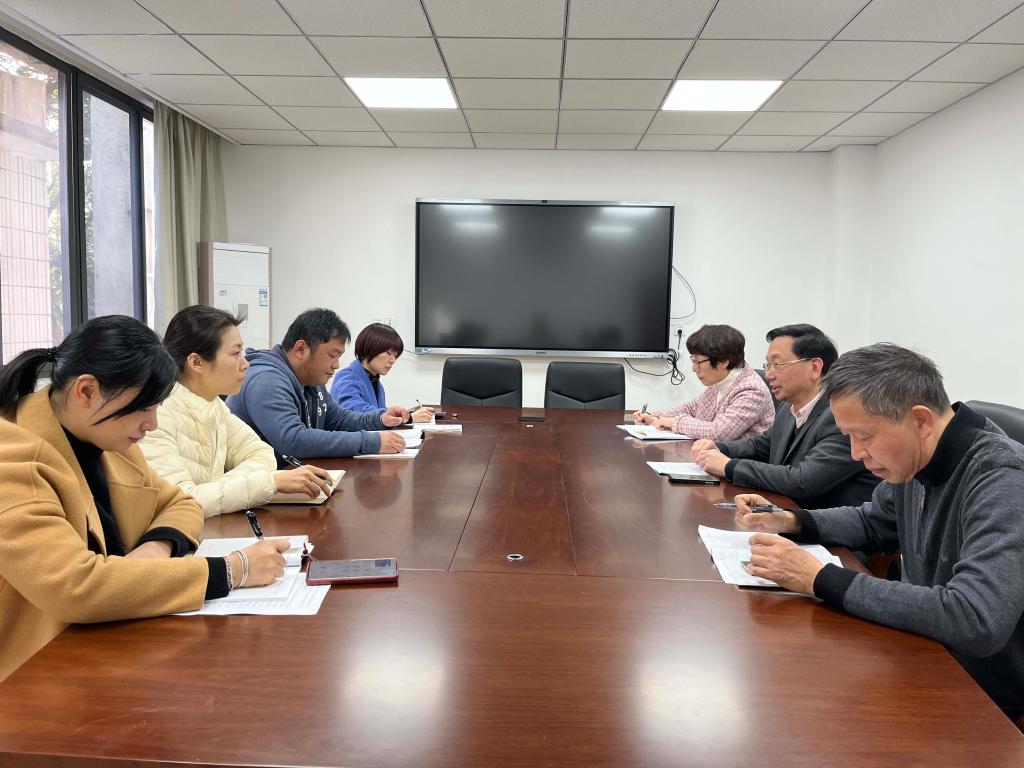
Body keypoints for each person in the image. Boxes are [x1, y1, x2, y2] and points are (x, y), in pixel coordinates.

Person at [734, 344, 1024, 722]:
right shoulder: (917, 456)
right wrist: (792, 521)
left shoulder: (1002, 478)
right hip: (920, 647)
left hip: (978, 691)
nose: (856, 454)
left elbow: (976, 619)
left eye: (864, 436)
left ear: (919, 420)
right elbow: (873, 521)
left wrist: (820, 578)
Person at [0, 316, 289, 682]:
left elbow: (181, 503)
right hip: (35, 671)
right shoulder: (13, 460)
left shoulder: (104, 436)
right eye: (144, 407)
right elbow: (74, 588)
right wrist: (232, 570)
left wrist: (156, 547)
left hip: (109, 639)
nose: (152, 424)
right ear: (87, 391)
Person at [141, 306, 334, 518]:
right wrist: (267, 483)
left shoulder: (213, 405)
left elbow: (261, 454)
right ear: (196, 362)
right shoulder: (156, 416)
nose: (245, 364)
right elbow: (181, 503)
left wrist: (216, 491)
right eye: (235, 353)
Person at [691, 323, 878, 509]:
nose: (768, 374)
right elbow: (761, 446)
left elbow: (802, 481)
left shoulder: (840, 417)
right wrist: (719, 448)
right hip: (785, 512)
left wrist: (729, 466)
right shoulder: (788, 408)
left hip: (825, 523)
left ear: (814, 367)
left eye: (777, 364)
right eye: (768, 365)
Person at [227, 308, 407, 462]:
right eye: (332, 355)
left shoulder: (311, 380)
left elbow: (337, 419)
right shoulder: (266, 379)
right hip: (261, 485)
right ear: (301, 349)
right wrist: (369, 442)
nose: (336, 365)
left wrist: (379, 419)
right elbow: (294, 441)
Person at [632, 324, 774, 440]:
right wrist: (655, 417)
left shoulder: (752, 391)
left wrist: (675, 422)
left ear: (723, 361)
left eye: (698, 362)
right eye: (693, 361)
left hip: (739, 464)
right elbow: (691, 408)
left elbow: (719, 433)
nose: (694, 369)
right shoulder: (722, 381)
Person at [330, 322, 434, 423]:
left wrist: (404, 414)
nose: (393, 360)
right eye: (389, 353)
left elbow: (377, 413)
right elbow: (358, 414)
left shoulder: (374, 380)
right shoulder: (346, 379)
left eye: (395, 356)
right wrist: (408, 418)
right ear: (370, 348)